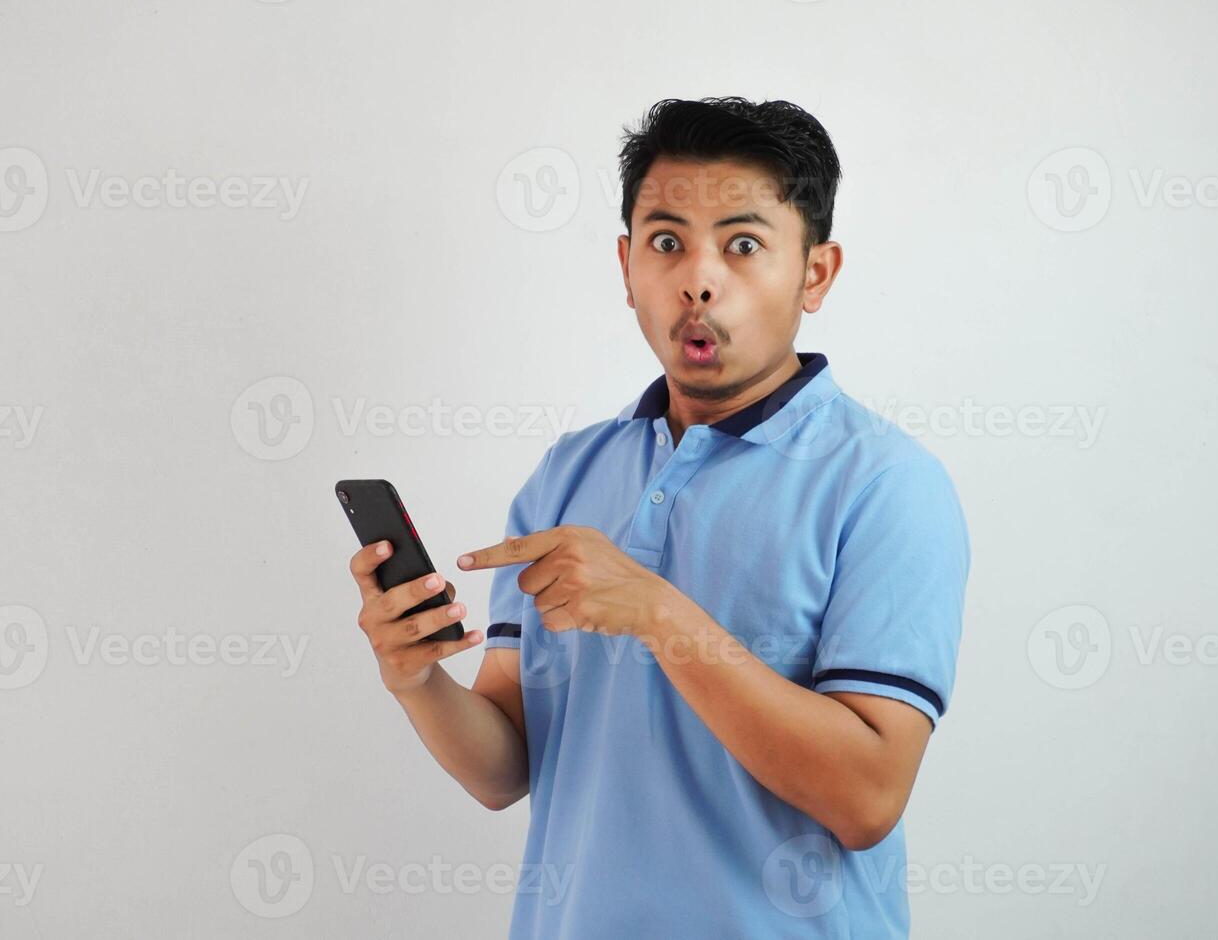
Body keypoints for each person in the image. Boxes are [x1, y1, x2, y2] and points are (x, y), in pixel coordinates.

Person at [349, 96, 970, 939]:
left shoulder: (886, 485)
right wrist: (415, 681)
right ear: (626, 264)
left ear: (815, 274)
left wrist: (657, 612)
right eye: (666, 241)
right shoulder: (569, 473)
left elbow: (867, 797)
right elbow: (505, 767)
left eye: (743, 245)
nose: (697, 278)